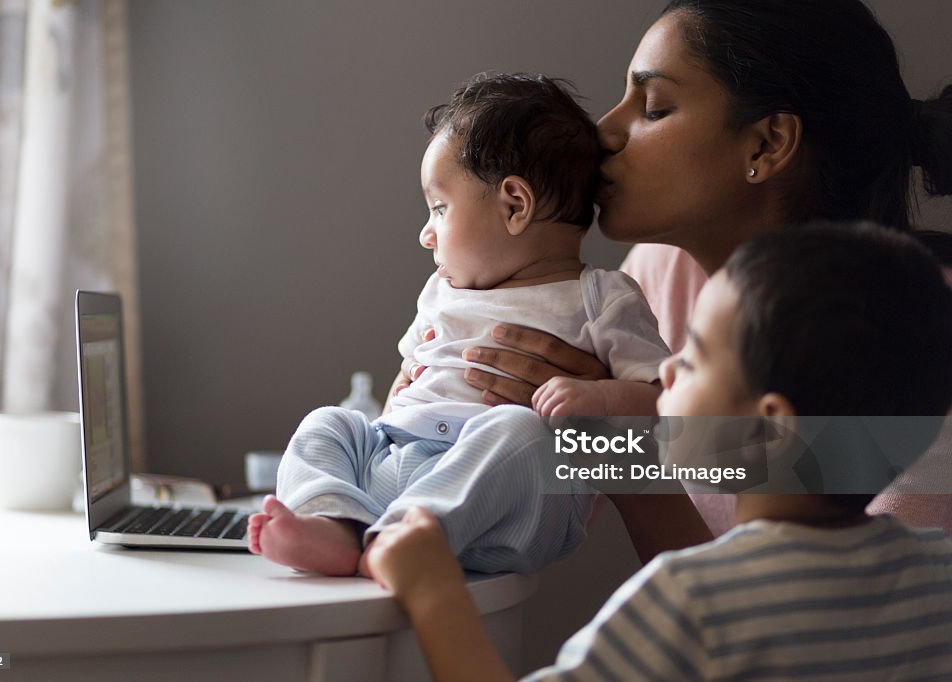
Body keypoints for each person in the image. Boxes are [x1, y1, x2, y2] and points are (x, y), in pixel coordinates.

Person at [392, 0, 952, 557]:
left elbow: (835, 629)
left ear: (766, 142)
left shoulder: (923, 328)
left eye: (654, 107)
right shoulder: (660, 275)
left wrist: (617, 440)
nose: (604, 131)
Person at [366, 222, 952, 681]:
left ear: (770, 429)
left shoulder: (691, 601)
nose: (666, 367)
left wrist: (434, 592)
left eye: (693, 356)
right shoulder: (936, 575)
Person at [247, 73, 669, 577]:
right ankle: (335, 523)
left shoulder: (603, 297)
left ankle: (403, 540)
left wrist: (600, 403)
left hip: (501, 497)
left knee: (522, 431)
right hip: (400, 467)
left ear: (515, 205)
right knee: (329, 423)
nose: (427, 233)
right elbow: (409, 375)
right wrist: (395, 404)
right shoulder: (442, 290)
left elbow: (666, 404)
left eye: (440, 209)